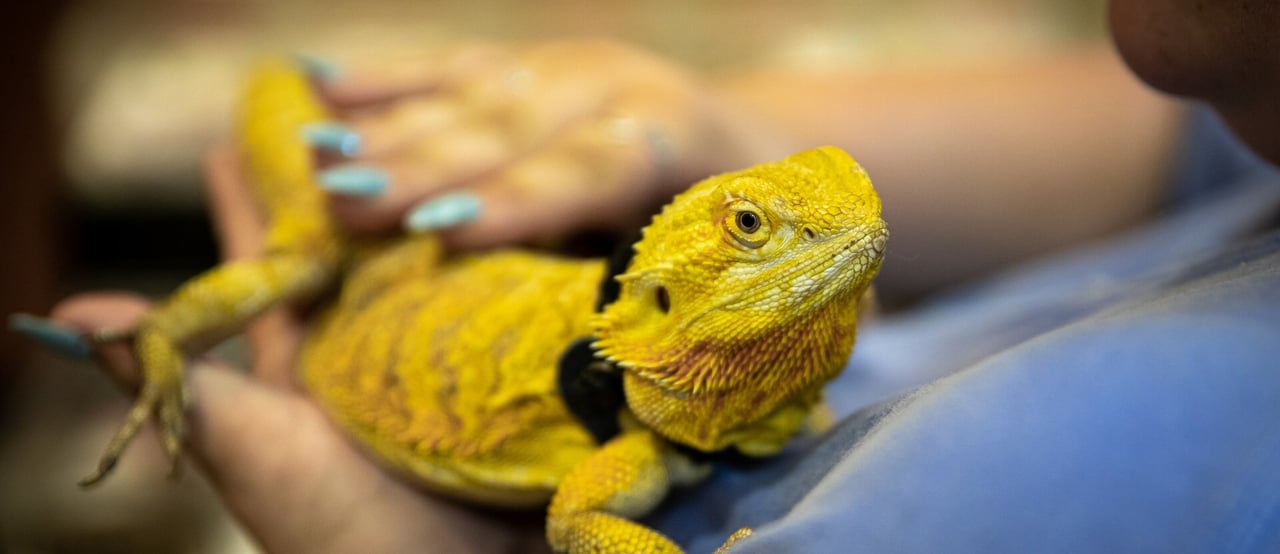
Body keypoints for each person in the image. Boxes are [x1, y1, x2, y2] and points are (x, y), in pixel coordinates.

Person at [22, 1, 1280, 551]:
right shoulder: (633, 439)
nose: (841, 235)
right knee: (288, 257)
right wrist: (702, 119)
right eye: (750, 229)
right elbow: (582, 519)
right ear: (668, 295)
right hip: (381, 291)